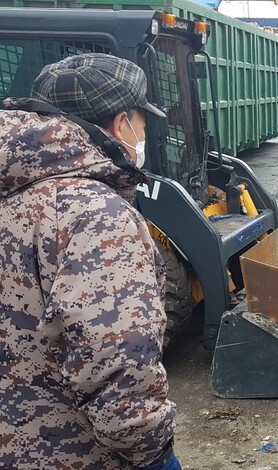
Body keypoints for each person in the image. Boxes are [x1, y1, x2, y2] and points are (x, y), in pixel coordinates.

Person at [0, 54, 179, 469]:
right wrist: (151, 452)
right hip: (66, 452)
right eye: (142, 120)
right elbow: (119, 366)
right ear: (122, 123)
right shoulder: (93, 213)